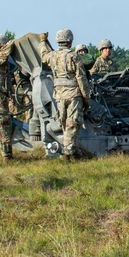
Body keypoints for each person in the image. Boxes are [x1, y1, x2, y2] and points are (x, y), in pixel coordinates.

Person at [38, 29, 91, 161]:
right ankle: (68, 153)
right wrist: (86, 96)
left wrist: (43, 42)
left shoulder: (52, 56)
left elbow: (44, 56)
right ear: (70, 41)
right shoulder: (73, 56)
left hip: (59, 95)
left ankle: (72, 151)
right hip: (73, 94)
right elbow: (81, 77)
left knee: (63, 122)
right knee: (72, 124)